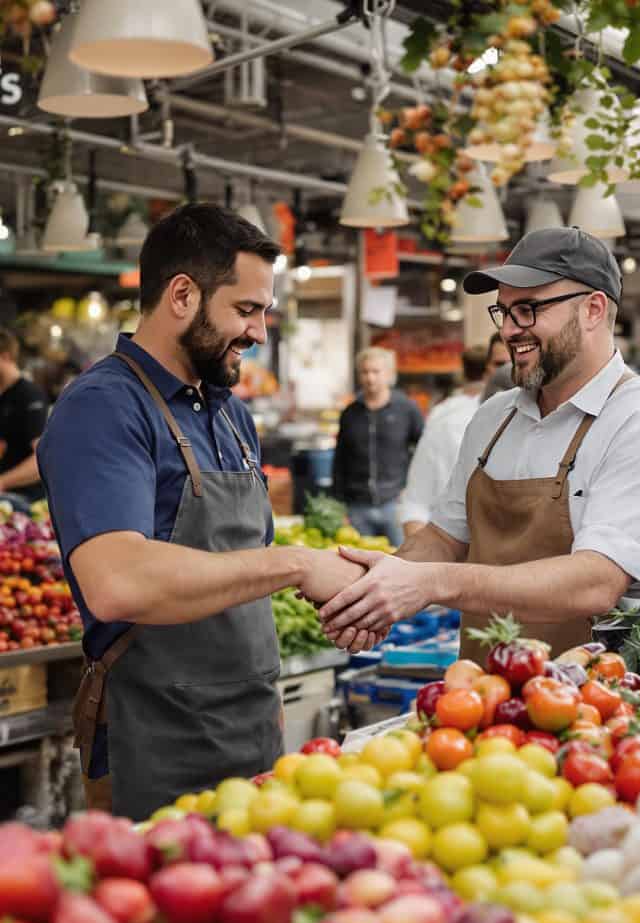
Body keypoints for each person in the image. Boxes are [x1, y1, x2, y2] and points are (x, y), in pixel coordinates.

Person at [38, 203, 369, 820]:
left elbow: (240, 571)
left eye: (264, 312)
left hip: (251, 729)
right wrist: (298, 565)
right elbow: (117, 583)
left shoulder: (231, 414)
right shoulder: (103, 408)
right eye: (246, 310)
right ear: (183, 295)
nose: (260, 333)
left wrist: (340, 600)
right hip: (155, 740)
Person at [316, 227, 640, 664]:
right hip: (481, 691)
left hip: (601, 697)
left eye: (527, 310)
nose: (508, 330)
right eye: (503, 312)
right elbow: (445, 537)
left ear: (593, 310)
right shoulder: (495, 417)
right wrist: (372, 586)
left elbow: (596, 582)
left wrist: (431, 583)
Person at [332, 346, 424, 548]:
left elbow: (424, 451)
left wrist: (412, 488)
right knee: (358, 562)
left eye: (376, 371)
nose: (370, 378)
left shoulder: (407, 409)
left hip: (395, 504)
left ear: (389, 374)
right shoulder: (350, 413)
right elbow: (340, 459)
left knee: (402, 559)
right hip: (357, 507)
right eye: (365, 372)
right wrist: (339, 504)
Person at [400, 344, 491, 537]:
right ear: (488, 371)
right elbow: (417, 500)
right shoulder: (446, 419)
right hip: (450, 539)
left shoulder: (442, 412)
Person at [0, 327, 48, 509]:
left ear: (5, 357)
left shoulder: (30, 395)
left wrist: (3, 481)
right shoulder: (3, 395)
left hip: (24, 501)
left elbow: (41, 459)